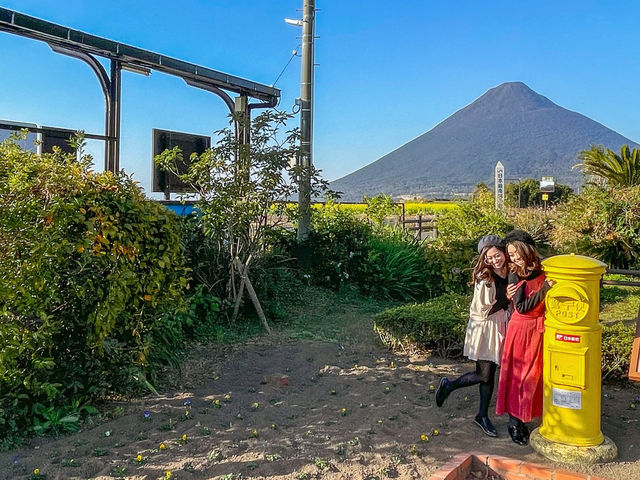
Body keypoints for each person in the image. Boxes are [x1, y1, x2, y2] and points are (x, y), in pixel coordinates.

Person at [435, 235, 510, 437]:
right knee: (484, 373)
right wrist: (508, 298)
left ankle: (482, 415)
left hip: (500, 324)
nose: (495, 260)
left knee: (490, 372)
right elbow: (483, 310)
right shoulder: (485, 277)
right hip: (485, 327)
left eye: (497, 255)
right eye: (489, 257)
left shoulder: (508, 270)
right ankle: (449, 385)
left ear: (504, 252)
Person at [495, 229, 554, 446]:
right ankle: (514, 422)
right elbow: (522, 306)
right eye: (510, 253)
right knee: (519, 375)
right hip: (521, 329)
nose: (514, 257)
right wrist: (545, 290)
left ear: (526, 249)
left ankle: (526, 414)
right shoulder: (514, 272)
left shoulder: (542, 268)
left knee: (535, 374)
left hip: (539, 329)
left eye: (515, 252)